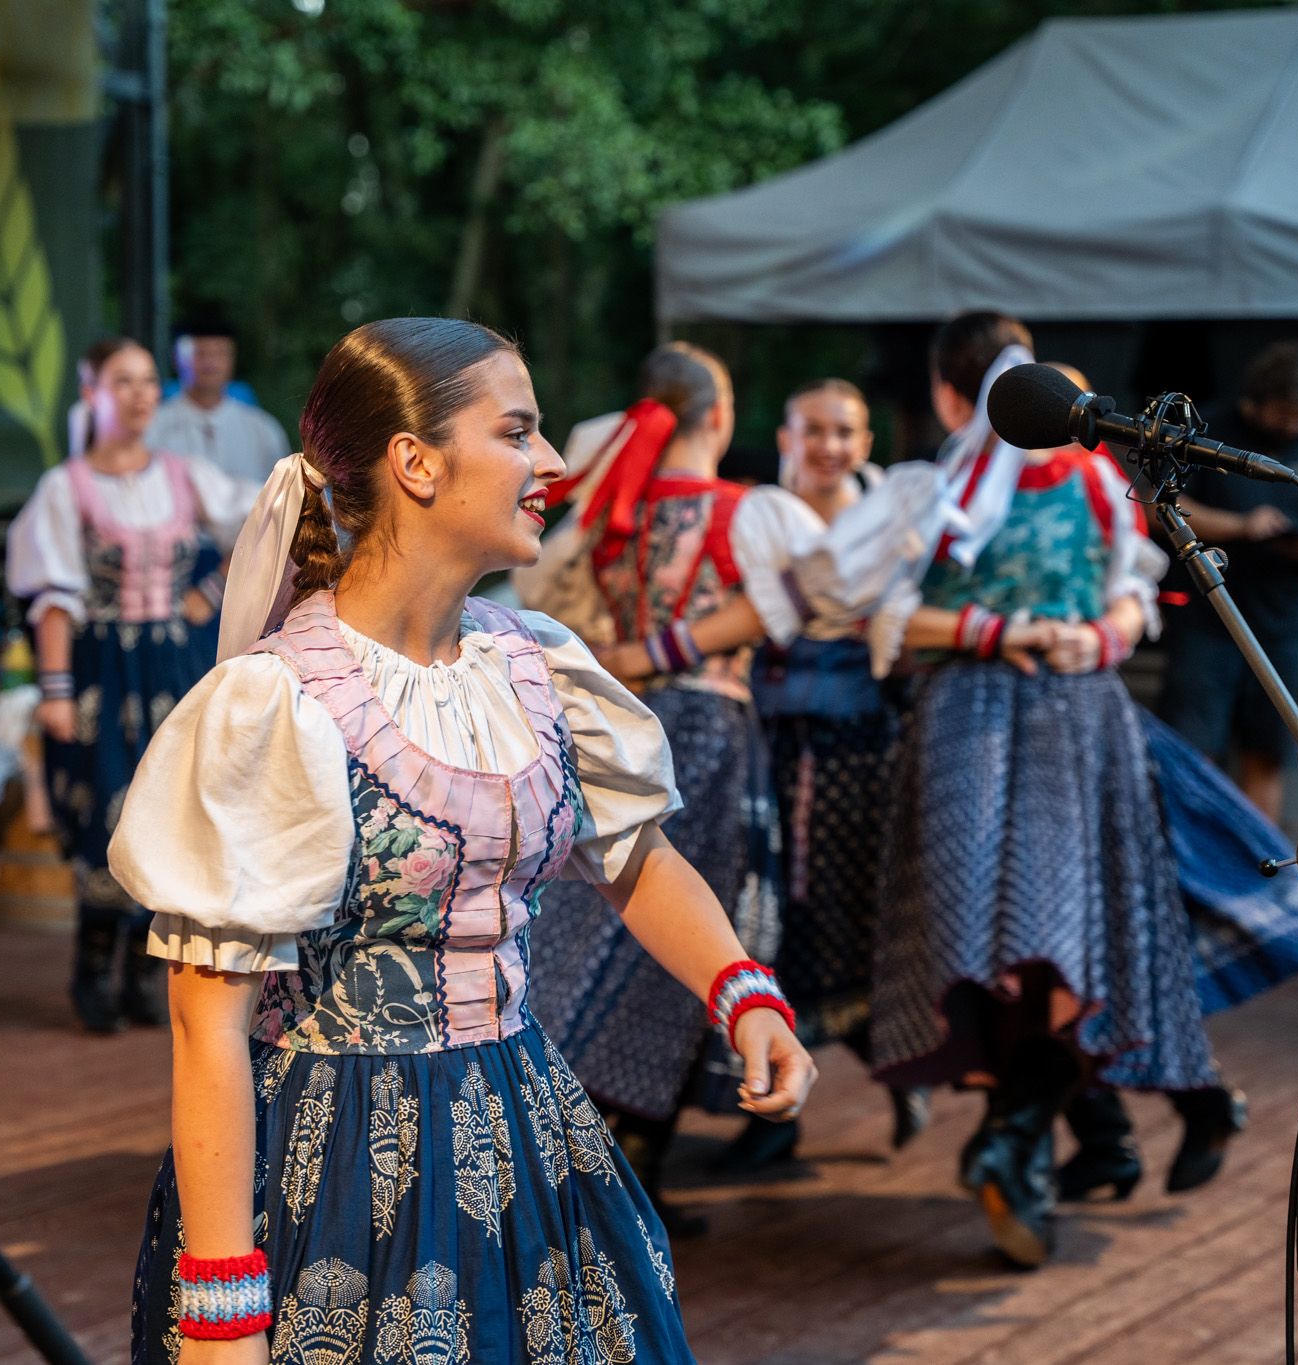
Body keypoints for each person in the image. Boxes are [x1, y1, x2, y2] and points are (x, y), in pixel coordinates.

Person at [111, 317, 812, 1363]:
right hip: (337, 1151)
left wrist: (740, 992)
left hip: (519, 1118)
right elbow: (205, 1019)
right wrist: (223, 1313)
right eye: (518, 432)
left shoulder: (533, 663)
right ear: (416, 463)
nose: (554, 462)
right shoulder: (278, 702)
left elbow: (633, 856)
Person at [846, 312, 1225, 1268]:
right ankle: (1035, 1143)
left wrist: (1091, 637)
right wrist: (1012, 633)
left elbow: (1130, 599)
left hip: (1037, 725)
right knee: (1018, 948)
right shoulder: (964, 487)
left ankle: (1022, 1142)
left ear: (947, 392)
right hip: (1015, 721)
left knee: (1045, 947)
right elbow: (884, 615)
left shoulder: (1010, 484)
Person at [594, 378, 926, 1173]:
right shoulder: (756, 515)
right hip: (758, 743)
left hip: (854, 747)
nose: (829, 446)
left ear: (865, 442)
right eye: (815, 430)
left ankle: (892, 1066)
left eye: (844, 431)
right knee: (765, 920)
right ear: (784, 435)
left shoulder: (893, 519)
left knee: (847, 919)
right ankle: (767, 1109)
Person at [522, 342, 785, 1235]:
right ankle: (624, 1166)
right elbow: (791, 603)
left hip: (619, 721)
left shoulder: (612, 514)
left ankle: (585, 1144)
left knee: (595, 927)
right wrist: (669, 647)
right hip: (708, 728)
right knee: (685, 930)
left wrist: (631, 655)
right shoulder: (744, 511)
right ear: (720, 414)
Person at [6, 337, 254, 1034]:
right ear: (92, 393)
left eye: (148, 381)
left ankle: (145, 971)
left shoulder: (183, 475)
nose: (141, 394)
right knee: (106, 808)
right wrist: (56, 690)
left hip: (172, 666)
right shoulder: (67, 487)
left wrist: (209, 591)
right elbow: (53, 598)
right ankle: (91, 965)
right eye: (124, 381)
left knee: (172, 812)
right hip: (102, 668)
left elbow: (265, 519)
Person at [1156, 341, 1298, 823]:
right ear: (1260, 400)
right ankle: (1196, 860)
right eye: (1287, 415)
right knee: (1192, 751)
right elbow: (1161, 507)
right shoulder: (1208, 429)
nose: (1296, 426)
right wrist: (1242, 527)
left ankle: (1254, 862)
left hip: (1284, 624)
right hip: (1207, 619)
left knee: (1270, 751)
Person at [142, 316, 291, 485]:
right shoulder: (151, 429)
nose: (210, 363)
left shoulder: (263, 431)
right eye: (200, 353)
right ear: (177, 358)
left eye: (220, 353)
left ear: (232, 358)